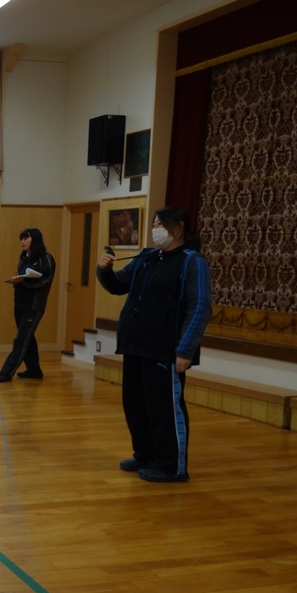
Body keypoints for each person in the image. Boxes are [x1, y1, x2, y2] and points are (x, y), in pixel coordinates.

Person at [96, 205, 212, 483]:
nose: (155, 229)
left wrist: (185, 349)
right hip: (136, 344)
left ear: (178, 228)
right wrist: (104, 270)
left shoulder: (192, 262)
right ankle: (145, 454)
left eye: (160, 224)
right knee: (135, 404)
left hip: (166, 349)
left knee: (164, 408)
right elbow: (118, 284)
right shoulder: (147, 257)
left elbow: (200, 307)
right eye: (154, 224)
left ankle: (172, 466)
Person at [0, 228, 56, 382]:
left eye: (25, 238)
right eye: (21, 239)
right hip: (20, 303)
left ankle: (6, 372)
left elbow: (45, 280)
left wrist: (25, 281)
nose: (22, 242)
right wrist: (17, 281)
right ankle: (34, 370)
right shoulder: (23, 258)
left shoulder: (46, 258)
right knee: (28, 337)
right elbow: (22, 278)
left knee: (21, 339)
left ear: (35, 239)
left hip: (34, 305)